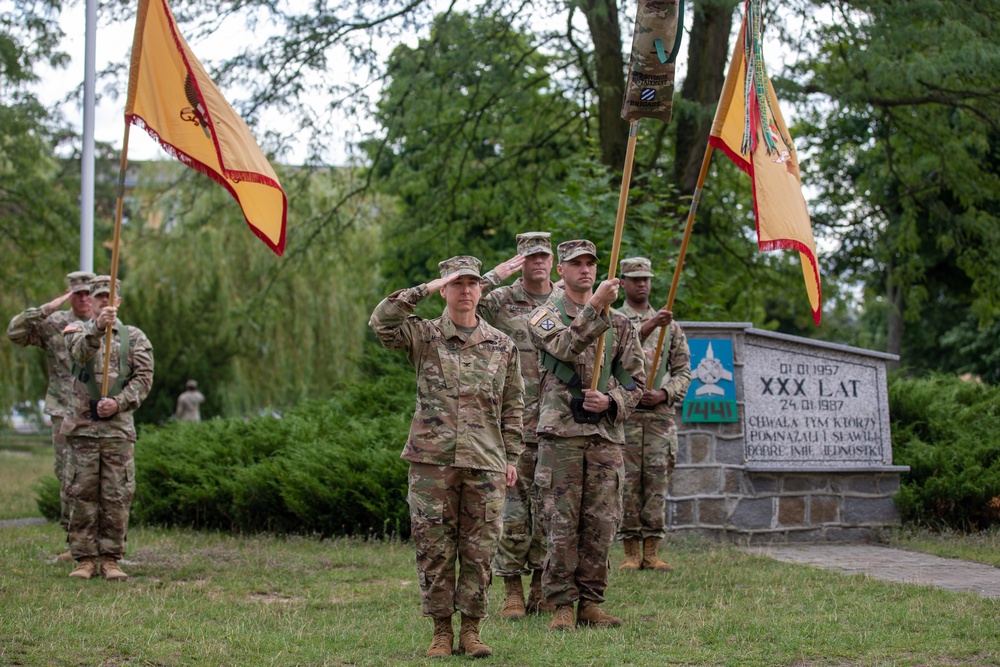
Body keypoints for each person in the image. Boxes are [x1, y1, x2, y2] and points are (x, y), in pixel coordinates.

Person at [369, 256, 524, 659]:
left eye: (472, 283)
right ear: (446, 288)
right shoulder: (423, 336)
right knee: (434, 548)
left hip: (486, 461)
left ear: (480, 288)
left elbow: (513, 404)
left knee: (480, 550)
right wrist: (425, 288)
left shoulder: (502, 344)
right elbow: (381, 322)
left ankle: (471, 630)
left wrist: (513, 456)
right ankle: (440, 632)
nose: (466, 290)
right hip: (431, 463)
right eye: (457, 283)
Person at [528, 240, 646, 631]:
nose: (584, 269)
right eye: (575, 264)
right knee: (560, 522)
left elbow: (637, 384)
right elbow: (563, 345)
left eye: (590, 264)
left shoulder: (623, 324)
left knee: (601, 521)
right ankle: (560, 603)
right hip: (561, 433)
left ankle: (592, 603)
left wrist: (611, 400)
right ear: (560, 271)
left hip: (605, 436)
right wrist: (596, 306)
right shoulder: (543, 315)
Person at [478, 232, 559, 619]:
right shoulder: (500, 300)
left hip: (557, 420)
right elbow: (461, 300)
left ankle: (542, 585)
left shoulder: (564, 300)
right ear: (520, 261)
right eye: (530, 257)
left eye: (543, 255)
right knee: (512, 508)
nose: (537, 263)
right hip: (511, 421)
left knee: (549, 507)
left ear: (552, 259)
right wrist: (495, 275)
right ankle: (512, 587)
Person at [61, 275, 154, 582]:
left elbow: (143, 379)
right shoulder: (77, 331)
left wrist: (119, 402)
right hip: (83, 429)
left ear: (118, 302)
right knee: (82, 494)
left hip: (117, 431)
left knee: (116, 494)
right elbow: (77, 355)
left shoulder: (135, 338)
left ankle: (111, 558)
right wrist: (99, 328)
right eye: (98, 296)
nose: (103, 301)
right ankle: (85, 558)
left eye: (108, 296)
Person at [6, 270, 94, 559]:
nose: (84, 298)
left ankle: (102, 543)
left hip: (98, 411)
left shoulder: (105, 324)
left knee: (99, 476)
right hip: (64, 409)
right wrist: (47, 308)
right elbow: (15, 333)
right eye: (77, 293)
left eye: (88, 292)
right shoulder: (55, 323)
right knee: (67, 475)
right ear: (69, 294)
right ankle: (74, 543)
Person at [616, 257, 692, 572]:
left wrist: (664, 393)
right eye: (635, 279)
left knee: (656, 483)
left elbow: (684, 371)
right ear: (622, 283)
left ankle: (652, 551)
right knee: (627, 484)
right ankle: (631, 552)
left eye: (646, 278)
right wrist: (650, 326)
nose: (642, 284)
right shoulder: (613, 320)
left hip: (660, 419)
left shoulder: (671, 327)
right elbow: (616, 359)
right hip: (626, 417)